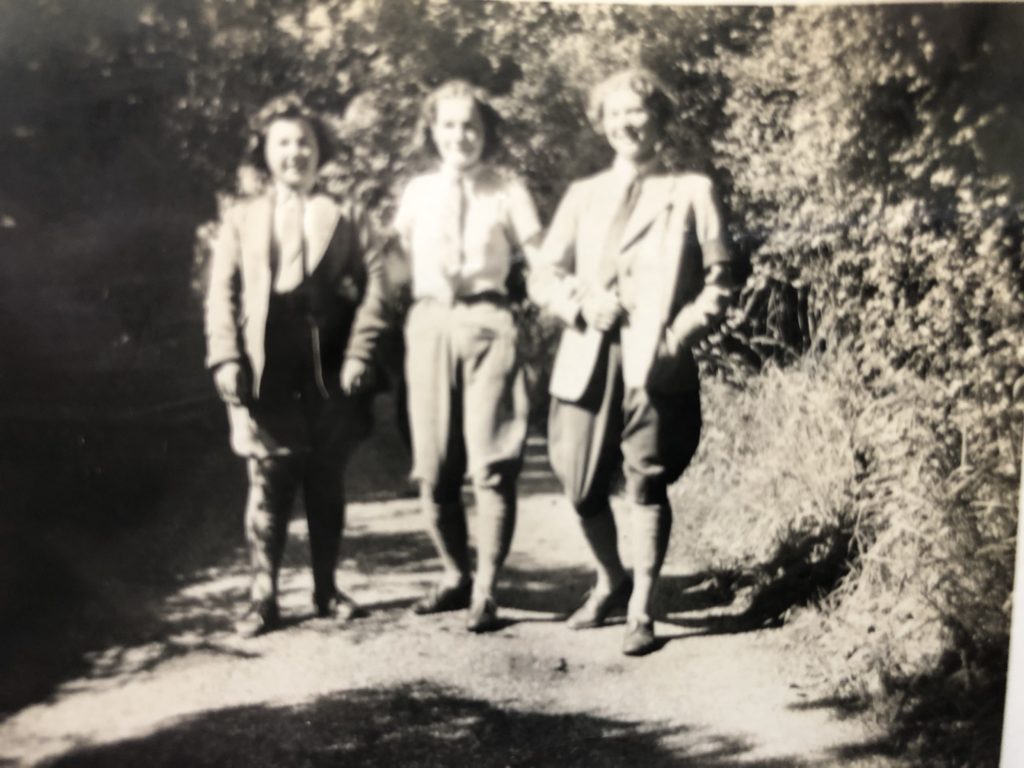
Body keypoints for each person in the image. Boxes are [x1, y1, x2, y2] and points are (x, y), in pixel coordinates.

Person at [532, 68, 735, 656]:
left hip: (654, 356)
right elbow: (544, 274)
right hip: (587, 354)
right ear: (602, 124)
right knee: (579, 483)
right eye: (615, 114)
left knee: (645, 478)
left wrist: (680, 335)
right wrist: (579, 302)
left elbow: (722, 280)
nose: (626, 124)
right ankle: (610, 579)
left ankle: (642, 607)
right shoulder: (583, 195)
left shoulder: (692, 190)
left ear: (660, 121)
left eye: (638, 113)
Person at [204, 94, 387, 637]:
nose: (295, 152)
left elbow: (380, 281)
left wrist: (360, 352)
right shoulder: (240, 218)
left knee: (326, 479)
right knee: (268, 479)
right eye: (283, 142)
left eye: (305, 141)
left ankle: (327, 590)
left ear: (319, 150)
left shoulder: (346, 215)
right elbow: (222, 293)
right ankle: (263, 597)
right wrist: (225, 357)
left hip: (328, 369)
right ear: (265, 152)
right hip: (267, 365)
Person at [392, 80, 542, 633]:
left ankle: (486, 589)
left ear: (487, 131)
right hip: (429, 324)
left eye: (471, 125)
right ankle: (455, 574)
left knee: (493, 465)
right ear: (432, 131)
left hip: (487, 322)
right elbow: (392, 270)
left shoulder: (508, 190)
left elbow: (540, 258)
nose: (461, 136)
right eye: (450, 125)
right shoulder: (416, 193)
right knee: (434, 469)